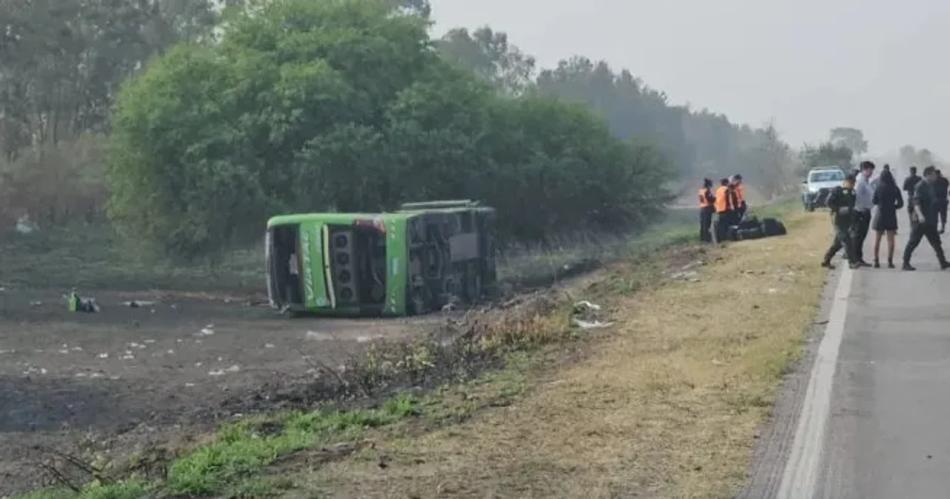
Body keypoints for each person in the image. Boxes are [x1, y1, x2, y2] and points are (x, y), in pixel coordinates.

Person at [902, 166, 950, 271]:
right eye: (933, 174)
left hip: (930, 220)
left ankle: (943, 262)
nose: (935, 176)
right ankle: (905, 263)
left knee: (936, 242)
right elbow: (916, 203)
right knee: (913, 242)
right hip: (921, 221)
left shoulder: (930, 185)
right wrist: (920, 215)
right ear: (928, 175)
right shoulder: (920, 186)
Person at [822, 174, 860, 270]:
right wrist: (838, 209)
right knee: (847, 240)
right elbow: (828, 202)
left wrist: (853, 220)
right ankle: (852, 262)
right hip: (838, 219)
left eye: (853, 183)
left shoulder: (853, 193)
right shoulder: (837, 191)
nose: (852, 185)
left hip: (847, 221)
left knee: (837, 244)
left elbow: (852, 207)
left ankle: (826, 260)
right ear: (845, 182)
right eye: (850, 183)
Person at [872, 170, 904, 269]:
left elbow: (874, 201)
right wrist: (894, 207)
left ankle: (876, 261)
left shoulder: (878, 188)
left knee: (877, 239)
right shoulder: (895, 188)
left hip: (880, 214)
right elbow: (901, 203)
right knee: (891, 240)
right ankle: (890, 261)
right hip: (891, 215)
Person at [852, 161, 876, 266]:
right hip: (860, 212)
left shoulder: (866, 181)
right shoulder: (860, 182)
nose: (871, 172)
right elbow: (856, 197)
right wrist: (861, 208)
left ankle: (859, 258)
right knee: (858, 237)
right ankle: (856, 258)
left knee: (861, 237)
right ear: (864, 170)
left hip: (865, 211)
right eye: (870, 170)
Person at [713, 178, 736, 243]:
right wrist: (731, 207)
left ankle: (721, 239)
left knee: (721, 225)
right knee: (727, 224)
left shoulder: (718, 190)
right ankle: (728, 238)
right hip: (726, 209)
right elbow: (728, 199)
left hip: (719, 209)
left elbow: (716, 200)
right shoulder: (726, 189)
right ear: (726, 183)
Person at [698, 178, 716, 243]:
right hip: (707, 208)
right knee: (707, 224)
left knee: (702, 224)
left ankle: (702, 238)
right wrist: (715, 198)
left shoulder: (701, 190)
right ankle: (707, 239)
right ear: (708, 185)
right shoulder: (707, 191)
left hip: (702, 208)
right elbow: (710, 199)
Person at [934, 169, 949, 233]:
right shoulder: (945, 180)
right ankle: (943, 228)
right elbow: (947, 186)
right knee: (943, 215)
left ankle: (935, 228)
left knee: (934, 215)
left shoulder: (933, 181)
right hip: (943, 199)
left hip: (935, 200)